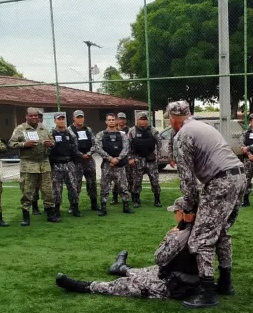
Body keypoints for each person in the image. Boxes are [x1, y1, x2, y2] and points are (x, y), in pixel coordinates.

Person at [168, 100, 246, 308]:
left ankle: (207, 292)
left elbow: (187, 180)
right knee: (221, 232)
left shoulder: (183, 135)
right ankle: (225, 283)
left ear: (172, 119)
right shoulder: (204, 126)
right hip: (239, 177)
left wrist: (188, 204)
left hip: (220, 181)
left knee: (201, 239)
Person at [55, 197, 199, 300]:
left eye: (175, 212)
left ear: (182, 214)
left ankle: (84, 286)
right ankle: (120, 268)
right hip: (189, 278)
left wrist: (170, 234)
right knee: (147, 271)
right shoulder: (201, 230)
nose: (174, 215)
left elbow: (159, 258)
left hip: (175, 285)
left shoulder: (179, 236)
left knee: (123, 285)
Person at [9, 107, 58, 225]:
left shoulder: (43, 128)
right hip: (29, 164)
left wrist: (50, 144)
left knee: (48, 190)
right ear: (26, 116)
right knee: (27, 190)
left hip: (44, 163)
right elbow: (11, 143)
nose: (34, 117)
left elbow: (53, 142)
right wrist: (24, 144)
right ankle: (26, 216)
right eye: (31, 116)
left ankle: (50, 214)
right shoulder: (20, 129)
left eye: (36, 115)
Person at [94, 112, 133, 216]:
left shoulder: (122, 135)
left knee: (123, 186)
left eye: (113, 120)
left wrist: (118, 159)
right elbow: (98, 148)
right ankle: (103, 208)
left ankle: (126, 206)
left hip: (119, 165)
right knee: (104, 187)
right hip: (107, 165)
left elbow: (126, 148)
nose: (111, 121)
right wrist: (110, 159)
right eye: (109, 120)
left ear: (116, 121)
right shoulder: (101, 135)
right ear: (106, 121)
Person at [127, 110, 162, 208]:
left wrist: (157, 157)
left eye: (145, 119)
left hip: (150, 160)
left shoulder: (153, 130)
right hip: (138, 160)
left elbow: (159, 144)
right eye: (141, 119)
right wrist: (130, 158)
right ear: (137, 120)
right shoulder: (132, 131)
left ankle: (157, 199)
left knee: (155, 181)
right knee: (136, 182)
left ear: (147, 121)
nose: (143, 121)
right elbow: (128, 145)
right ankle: (137, 200)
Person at [49, 111, 82, 218]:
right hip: (57, 164)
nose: (61, 121)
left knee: (73, 187)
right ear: (55, 121)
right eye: (59, 119)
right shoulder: (51, 134)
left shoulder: (70, 134)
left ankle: (75, 208)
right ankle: (56, 209)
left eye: (63, 119)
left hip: (69, 164)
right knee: (57, 189)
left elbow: (75, 149)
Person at [70, 110, 99, 211]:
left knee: (92, 183)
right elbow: (71, 146)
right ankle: (74, 205)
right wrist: (81, 155)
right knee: (76, 184)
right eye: (78, 117)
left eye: (81, 117)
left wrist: (89, 154)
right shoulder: (69, 130)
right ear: (74, 118)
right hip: (76, 161)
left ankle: (94, 203)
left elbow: (95, 143)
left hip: (89, 160)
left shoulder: (88, 129)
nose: (80, 119)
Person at [113, 111, 130, 204]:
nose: (121, 121)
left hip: (126, 158)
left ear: (125, 120)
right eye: (120, 119)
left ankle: (127, 197)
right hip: (115, 158)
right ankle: (115, 197)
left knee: (128, 178)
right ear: (117, 120)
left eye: (123, 119)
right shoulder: (113, 130)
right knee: (116, 179)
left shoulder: (129, 130)